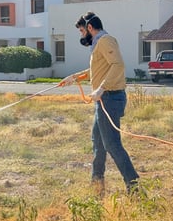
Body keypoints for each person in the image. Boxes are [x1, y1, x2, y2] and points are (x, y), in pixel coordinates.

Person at [60, 11, 139, 196]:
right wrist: (74, 77)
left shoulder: (105, 41)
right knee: (98, 142)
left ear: (89, 28)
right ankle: (97, 183)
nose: (81, 36)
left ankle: (133, 186)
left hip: (110, 99)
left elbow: (118, 64)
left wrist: (102, 88)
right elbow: (96, 69)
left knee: (112, 144)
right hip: (103, 99)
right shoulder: (97, 45)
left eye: (81, 31)